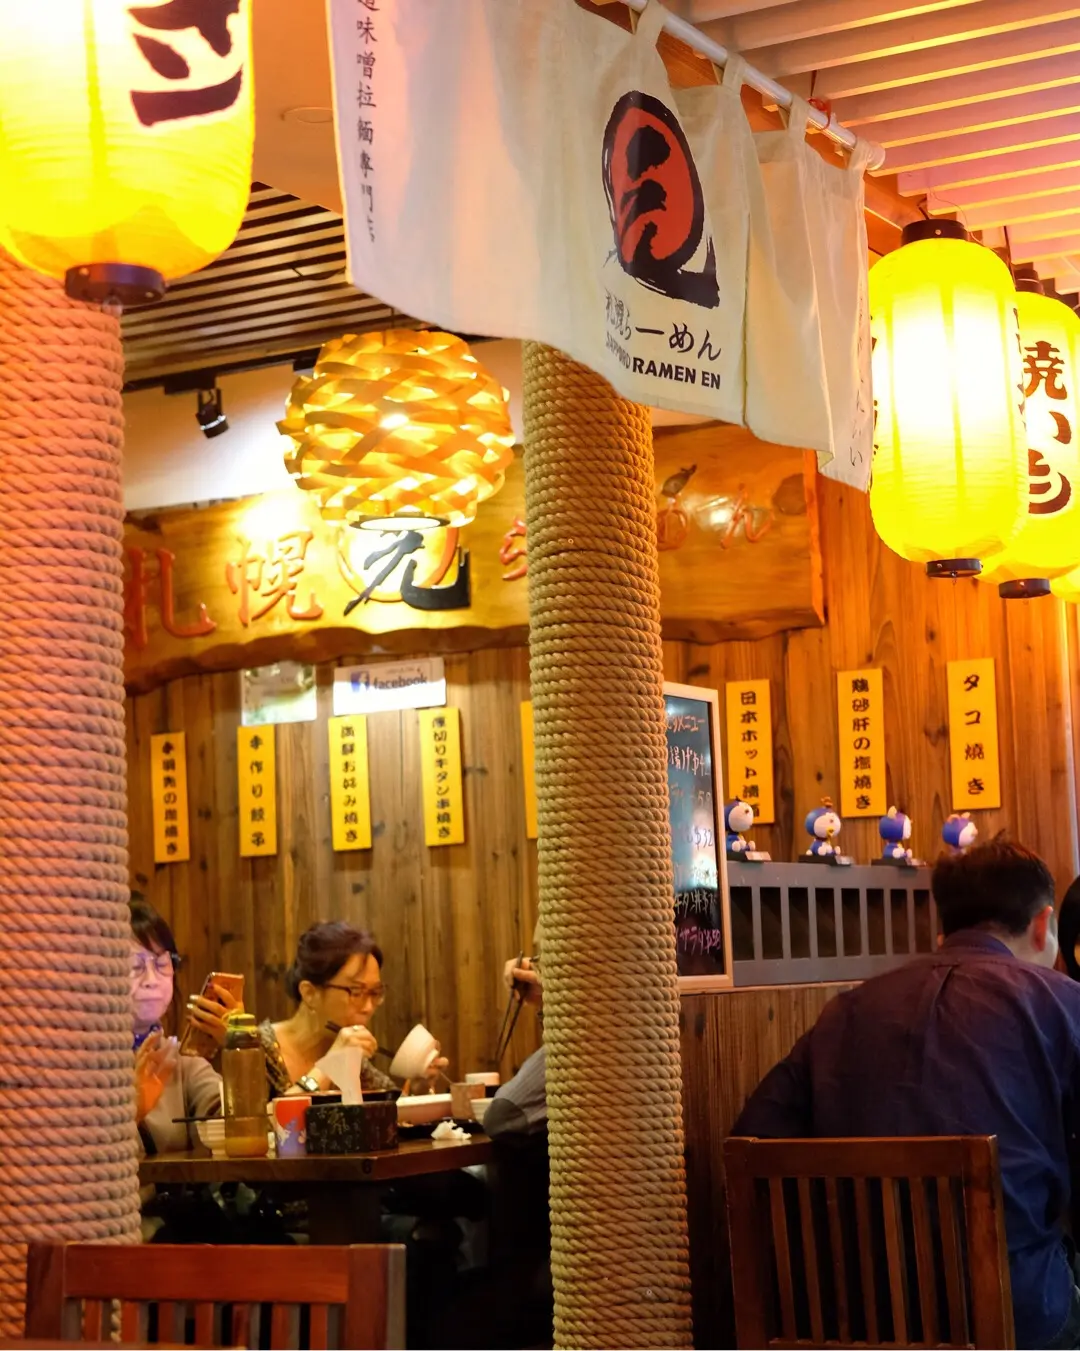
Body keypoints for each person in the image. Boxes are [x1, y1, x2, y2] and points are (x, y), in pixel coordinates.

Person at [733, 839, 1080, 1351]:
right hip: (1018, 1321)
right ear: (1042, 922)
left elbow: (753, 1142)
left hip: (852, 1321)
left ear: (945, 924)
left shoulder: (846, 1012)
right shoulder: (1062, 1004)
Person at [260, 920, 446, 1097]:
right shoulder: (257, 1049)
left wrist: (417, 1090)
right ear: (309, 993)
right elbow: (262, 1118)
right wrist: (330, 1066)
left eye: (375, 992)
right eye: (356, 992)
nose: (368, 1007)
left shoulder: (349, 1054)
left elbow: (394, 1108)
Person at [130, 896, 239, 1155]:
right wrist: (130, 1114)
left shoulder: (183, 1064)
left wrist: (240, 1045)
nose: (152, 980)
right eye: (134, 966)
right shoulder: (77, 1068)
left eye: (162, 964)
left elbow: (239, 1129)